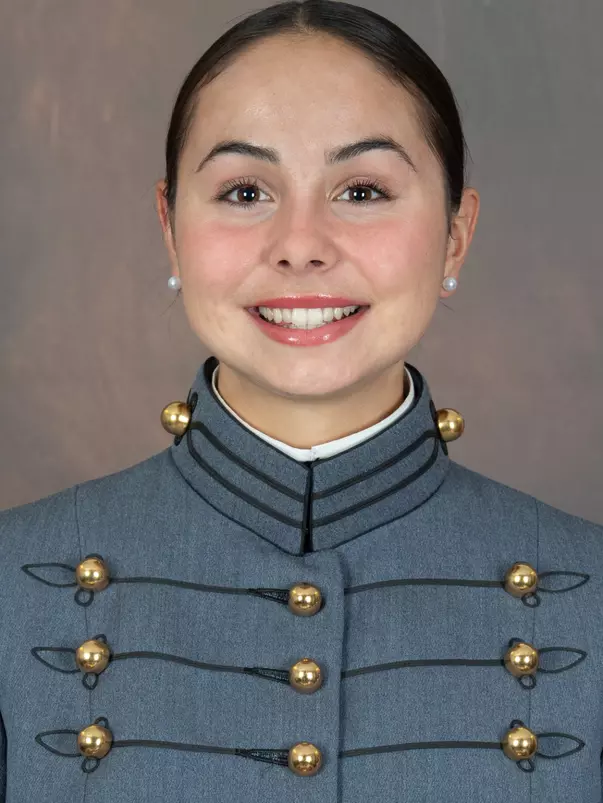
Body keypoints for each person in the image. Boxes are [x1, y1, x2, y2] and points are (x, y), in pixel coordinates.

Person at [1, 1, 601, 801]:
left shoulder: (587, 589)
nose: (300, 243)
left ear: (456, 233)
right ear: (170, 228)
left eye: (361, 189)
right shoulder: (14, 579)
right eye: (245, 191)